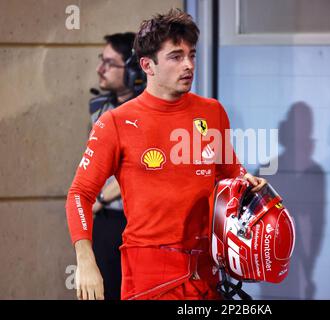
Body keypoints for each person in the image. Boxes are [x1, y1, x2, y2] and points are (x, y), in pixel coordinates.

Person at [66, 9, 266, 300]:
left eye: (192, 55)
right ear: (147, 65)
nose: (188, 65)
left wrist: (247, 183)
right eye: (176, 56)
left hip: (206, 273)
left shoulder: (212, 112)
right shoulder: (115, 122)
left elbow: (230, 173)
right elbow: (79, 194)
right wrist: (85, 259)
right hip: (148, 279)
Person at [87, 32, 145, 300]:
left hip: (138, 222)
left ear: (133, 70)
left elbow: (141, 166)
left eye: (110, 63)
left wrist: (99, 199)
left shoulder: (150, 110)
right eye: (102, 60)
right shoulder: (100, 109)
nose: (101, 68)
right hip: (107, 222)